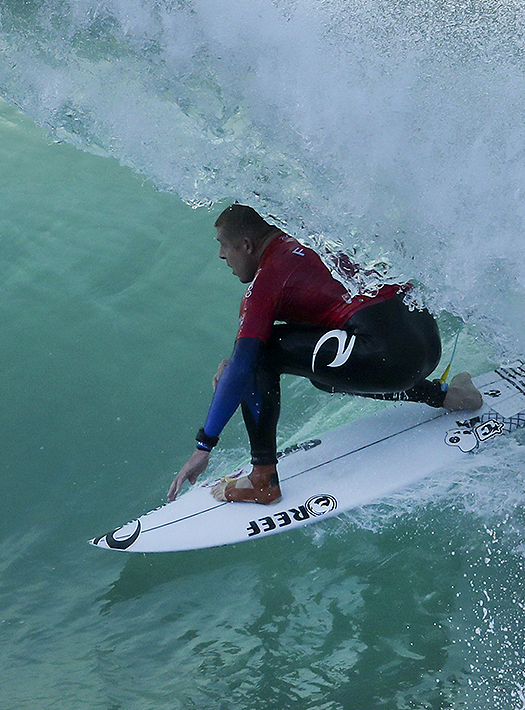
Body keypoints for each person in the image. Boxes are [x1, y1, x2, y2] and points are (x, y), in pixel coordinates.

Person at [168, 204, 482, 506]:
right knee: (318, 371)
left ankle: (262, 480)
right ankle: (445, 395)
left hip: (391, 359)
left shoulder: (266, 282)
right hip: (425, 338)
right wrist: (237, 367)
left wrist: (204, 445)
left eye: (224, 245)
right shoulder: (308, 239)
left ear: (247, 245)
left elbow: (245, 364)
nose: (222, 254)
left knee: (259, 355)